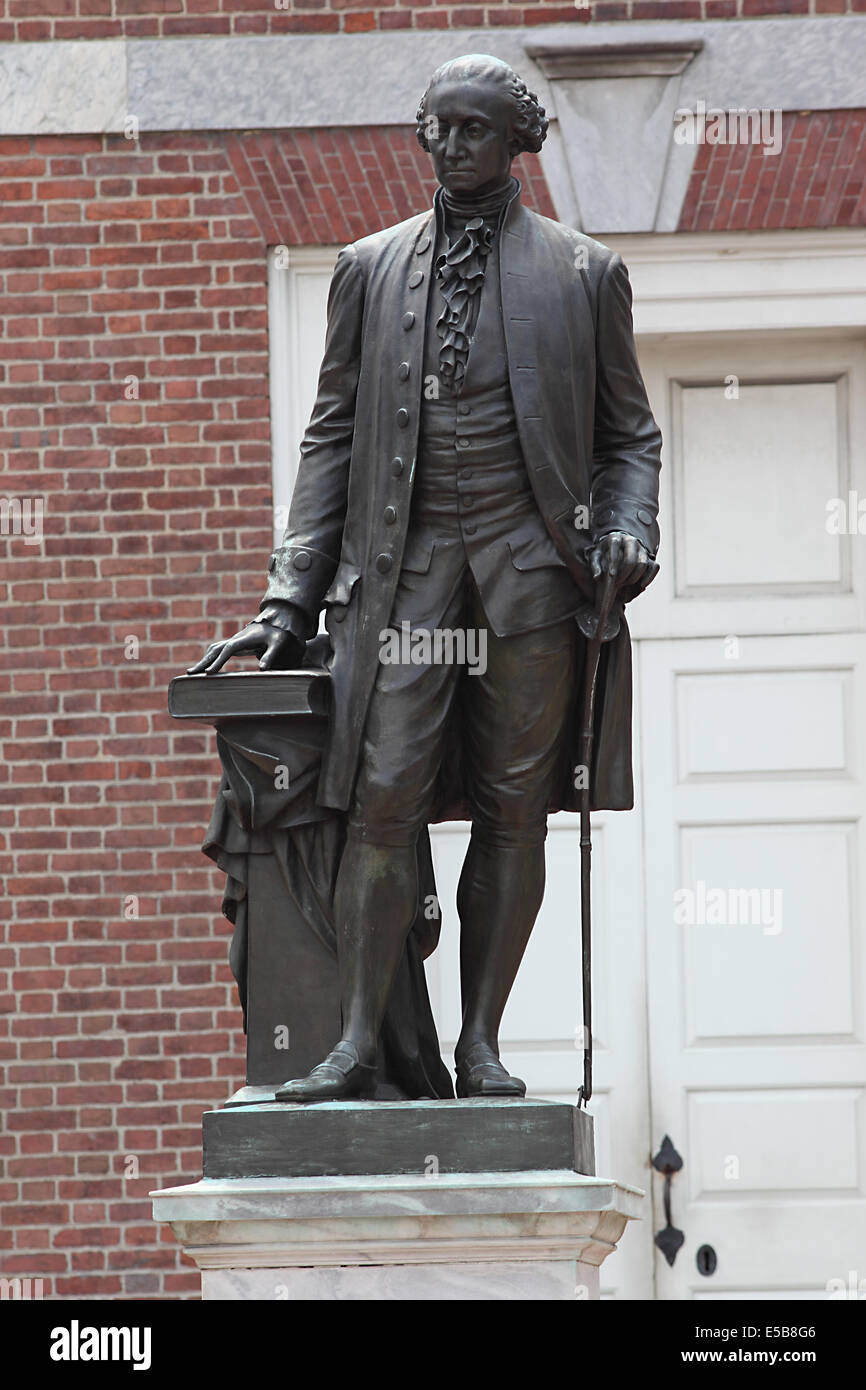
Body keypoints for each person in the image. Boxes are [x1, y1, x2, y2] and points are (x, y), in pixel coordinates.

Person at [189, 54, 662, 1102]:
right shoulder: (367, 267)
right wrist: (288, 598)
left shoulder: (584, 275)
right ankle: (358, 1042)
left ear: (516, 145)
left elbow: (628, 439)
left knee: (512, 811)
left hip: (530, 581)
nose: (445, 146)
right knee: (382, 801)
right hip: (401, 584)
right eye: (433, 128)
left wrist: (627, 529)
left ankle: (479, 1043)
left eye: (469, 129)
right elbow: (327, 442)